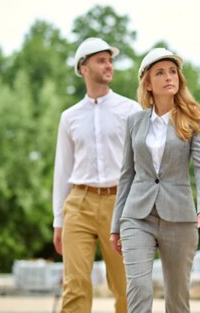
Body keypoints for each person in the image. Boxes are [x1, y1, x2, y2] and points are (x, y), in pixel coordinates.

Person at [110, 47, 200, 313]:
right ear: (148, 83)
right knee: (139, 289)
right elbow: (126, 174)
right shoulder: (134, 122)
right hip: (137, 216)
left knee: (177, 299)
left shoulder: (193, 121)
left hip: (179, 216)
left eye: (173, 71)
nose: (169, 77)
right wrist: (115, 223)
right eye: (160, 73)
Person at [52, 37, 140, 313]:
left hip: (120, 204)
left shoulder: (130, 110)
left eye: (110, 60)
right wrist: (58, 220)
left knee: (126, 287)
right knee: (75, 286)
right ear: (84, 68)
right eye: (101, 60)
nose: (109, 65)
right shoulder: (70, 117)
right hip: (79, 204)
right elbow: (62, 170)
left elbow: (144, 167)